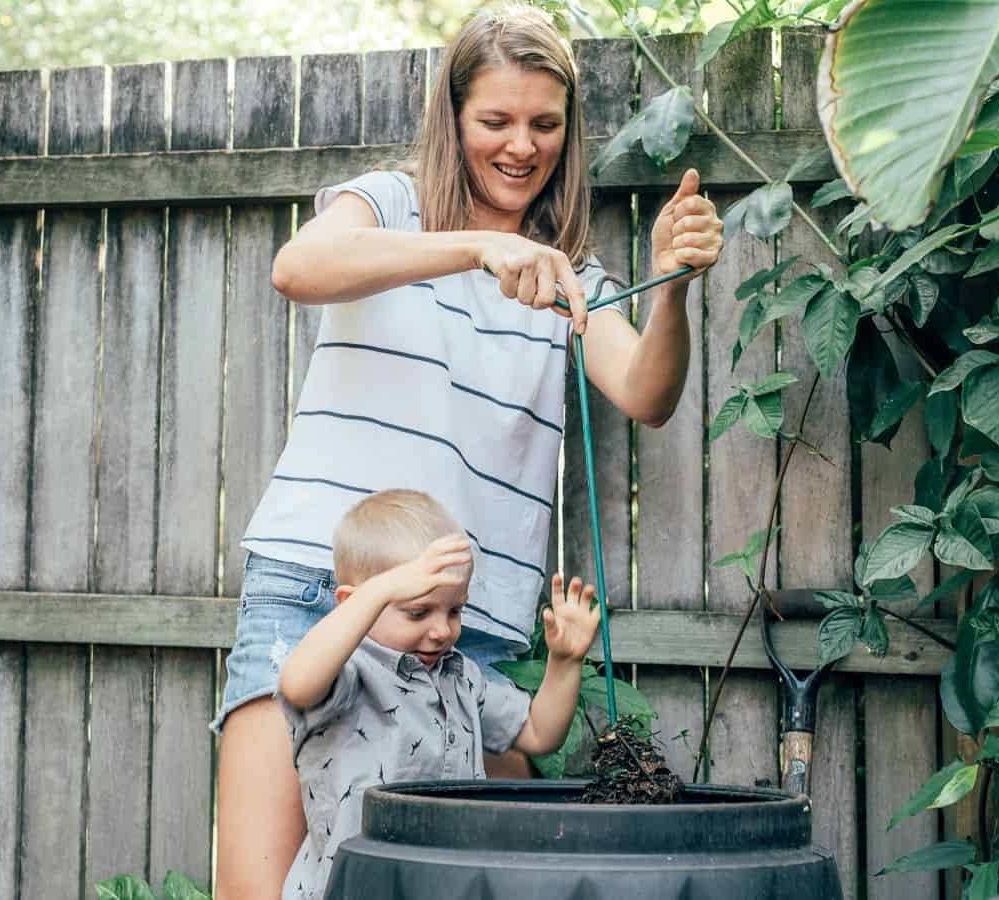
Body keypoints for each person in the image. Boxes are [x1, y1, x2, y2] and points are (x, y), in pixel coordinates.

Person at [210, 4, 724, 898]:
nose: (522, 146)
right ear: (453, 121)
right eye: (495, 121)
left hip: (464, 631)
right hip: (317, 596)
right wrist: (478, 247)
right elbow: (298, 269)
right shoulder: (390, 205)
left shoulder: (571, 279)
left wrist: (672, 289)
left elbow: (647, 391)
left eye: (545, 124)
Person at [275, 489, 600, 900]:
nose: (441, 630)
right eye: (417, 612)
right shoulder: (349, 673)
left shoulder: (459, 675)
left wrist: (564, 663)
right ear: (353, 603)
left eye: (454, 610)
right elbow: (298, 683)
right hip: (352, 888)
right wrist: (379, 591)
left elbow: (539, 732)